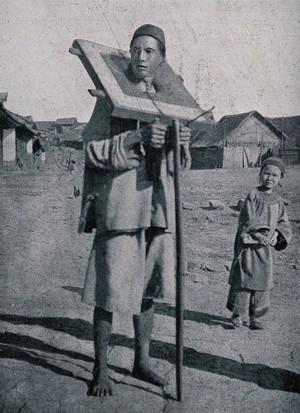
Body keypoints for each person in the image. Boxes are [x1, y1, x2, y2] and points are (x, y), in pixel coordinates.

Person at [78, 24, 191, 397]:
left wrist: (176, 142)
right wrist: (135, 138)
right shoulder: (109, 97)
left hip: (156, 210)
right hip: (122, 208)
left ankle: (141, 360)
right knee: (109, 289)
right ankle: (101, 368)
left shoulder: (170, 100)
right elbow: (93, 149)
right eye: (135, 50)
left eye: (150, 51)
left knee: (148, 289)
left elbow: (178, 167)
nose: (141, 58)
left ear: (162, 59)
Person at [226, 157, 292, 330]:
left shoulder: (278, 201)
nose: (269, 178)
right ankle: (237, 314)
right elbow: (247, 218)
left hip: (265, 250)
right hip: (249, 246)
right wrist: (257, 233)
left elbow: (283, 223)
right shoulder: (253, 195)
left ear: (280, 179)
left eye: (275, 175)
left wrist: (276, 235)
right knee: (244, 278)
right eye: (266, 173)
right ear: (260, 174)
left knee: (263, 281)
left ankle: (256, 316)